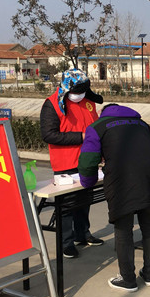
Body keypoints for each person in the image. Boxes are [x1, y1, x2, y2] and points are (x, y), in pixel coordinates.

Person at [78, 104, 150, 292]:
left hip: (122, 179)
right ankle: (149, 274)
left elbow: (88, 160)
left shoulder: (97, 126)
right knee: (149, 223)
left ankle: (128, 279)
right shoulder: (142, 124)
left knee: (123, 227)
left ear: (102, 113)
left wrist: (88, 182)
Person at [40, 68, 105, 259]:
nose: (80, 95)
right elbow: (49, 135)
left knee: (85, 201)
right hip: (65, 163)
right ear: (66, 88)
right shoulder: (52, 104)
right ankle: (66, 243)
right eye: (77, 91)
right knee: (67, 206)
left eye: (83, 91)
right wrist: (81, 137)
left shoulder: (88, 102)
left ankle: (83, 234)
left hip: (87, 160)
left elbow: (95, 127)